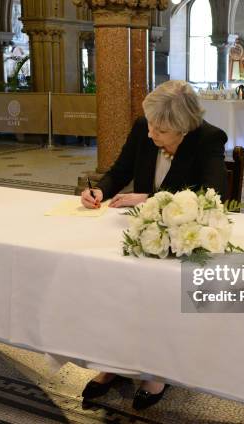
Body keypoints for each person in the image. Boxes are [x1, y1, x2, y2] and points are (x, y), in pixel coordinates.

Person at [79, 80, 229, 409]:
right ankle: (114, 363)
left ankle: (157, 370)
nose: (150, 134)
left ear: (183, 128)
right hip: (142, 233)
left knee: (157, 289)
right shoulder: (143, 128)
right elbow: (120, 170)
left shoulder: (208, 139)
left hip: (181, 240)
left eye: (160, 130)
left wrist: (150, 198)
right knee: (111, 281)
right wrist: (101, 191)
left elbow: (213, 196)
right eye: (149, 125)